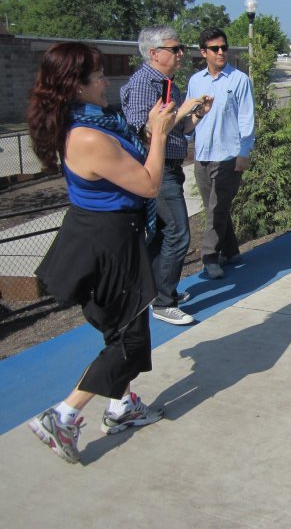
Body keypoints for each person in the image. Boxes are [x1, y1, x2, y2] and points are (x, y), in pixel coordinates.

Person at [26, 42, 180, 463]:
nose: (104, 82)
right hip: (108, 243)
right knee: (128, 340)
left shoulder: (93, 121)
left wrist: (160, 125)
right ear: (74, 86)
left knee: (125, 327)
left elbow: (129, 158)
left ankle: (120, 406)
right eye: (96, 76)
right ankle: (64, 414)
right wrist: (161, 137)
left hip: (109, 234)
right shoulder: (89, 135)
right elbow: (148, 183)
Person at [120, 25, 210, 325]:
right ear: (154, 53)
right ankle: (163, 301)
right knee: (178, 233)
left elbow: (177, 131)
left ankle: (155, 290)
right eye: (175, 49)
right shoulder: (146, 83)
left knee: (160, 234)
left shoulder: (167, 82)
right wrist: (183, 109)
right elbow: (140, 130)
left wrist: (196, 114)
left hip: (171, 167)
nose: (181, 53)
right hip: (155, 170)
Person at [187, 28, 255, 280]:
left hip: (228, 156)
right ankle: (231, 249)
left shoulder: (239, 80)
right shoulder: (196, 81)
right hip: (202, 154)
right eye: (215, 48)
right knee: (214, 208)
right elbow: (192, 115)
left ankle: (210, 257)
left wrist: (244, 152)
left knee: (217, 209)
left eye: (224, 47)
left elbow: (247, 118)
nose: (221, 52)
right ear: (203, 52)